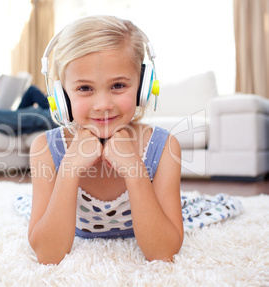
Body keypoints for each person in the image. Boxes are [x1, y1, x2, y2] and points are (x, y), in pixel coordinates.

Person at [28, 16, 184, 265]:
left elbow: (163, 252)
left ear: (143, 87)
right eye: (85, 89)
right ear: (61, 96)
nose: (103, 105)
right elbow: (48, 254)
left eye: (118, 85)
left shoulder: (164, 147)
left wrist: (134, 169)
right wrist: (70, 167)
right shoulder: (45, 149)